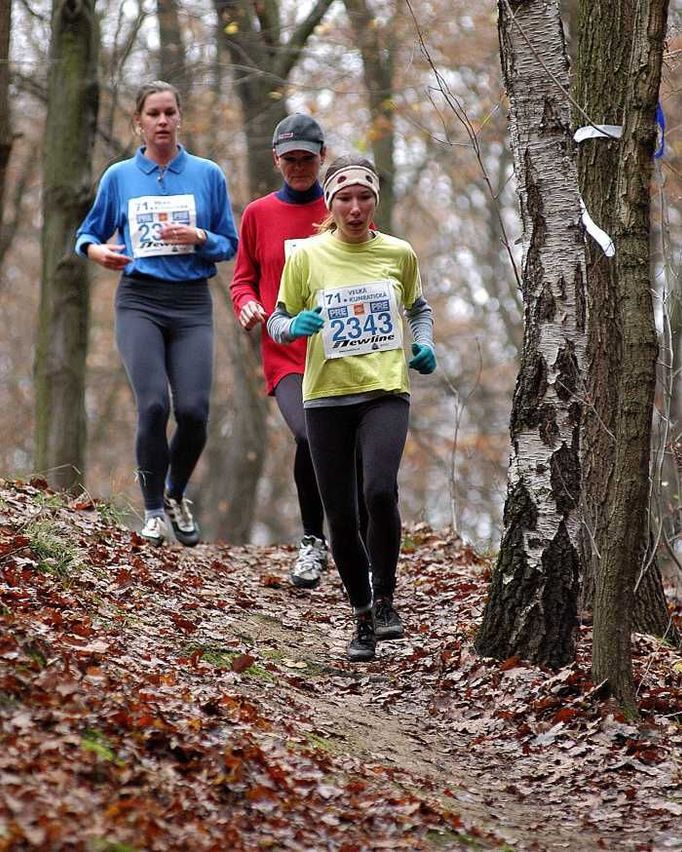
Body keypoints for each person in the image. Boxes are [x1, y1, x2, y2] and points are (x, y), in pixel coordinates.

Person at [267, 155, 436, 662]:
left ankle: (385, 600)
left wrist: (423, 344)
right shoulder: (307, 257)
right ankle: (361, 617)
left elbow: (418, 308)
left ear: (375, 202)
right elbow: (277, 319)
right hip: (324, 398)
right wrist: (293, 329)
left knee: (379, 492)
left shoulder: (398, 254)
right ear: (330, 203)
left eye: (365, 197)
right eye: (345, 198)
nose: (356, 207)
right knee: (339, 515)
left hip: (384, 390)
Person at [75, 81, 238, 547]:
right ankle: (151, 512)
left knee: (193, 412)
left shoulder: (207, 175)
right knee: (152, 404)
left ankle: (174, 493)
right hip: (139, 299)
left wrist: (200, 237)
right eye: (153, 114)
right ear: (139, 122)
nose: (162, 121)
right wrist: (98, 253)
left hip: (191, 303)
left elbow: (230, 243)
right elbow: (87, 234)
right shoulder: (119, 177)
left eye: (170, 112)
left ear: (180, 118)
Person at [229, 114, 331, 589]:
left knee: (343, 445)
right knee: (309, 436)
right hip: (285, 352)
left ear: (321, 157)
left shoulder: (343, 208)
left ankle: (355, 542)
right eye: (289, 160)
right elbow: (242, 279)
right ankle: (313, 541)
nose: (298, 168)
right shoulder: (258, 214)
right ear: (276, 160)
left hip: (340, 350)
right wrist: (248, 305)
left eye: (306, 159)